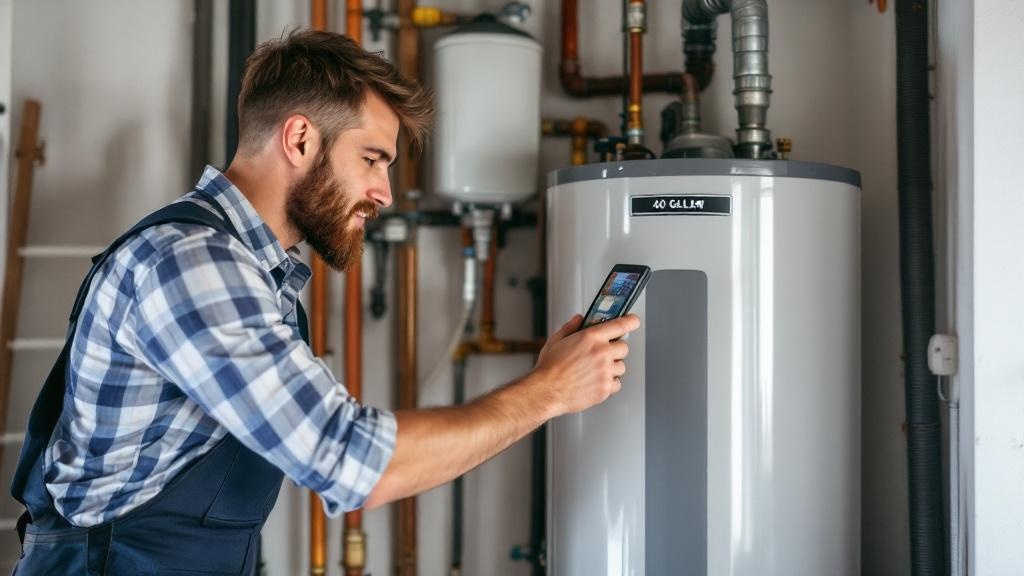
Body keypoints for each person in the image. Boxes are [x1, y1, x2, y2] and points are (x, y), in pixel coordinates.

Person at [10, 29, 639, 574]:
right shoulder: (194, 265)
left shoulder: (256, 274)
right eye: (372, 159)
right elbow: (352, 461)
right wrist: (549, 391)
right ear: (300, 139)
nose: (384, 192)